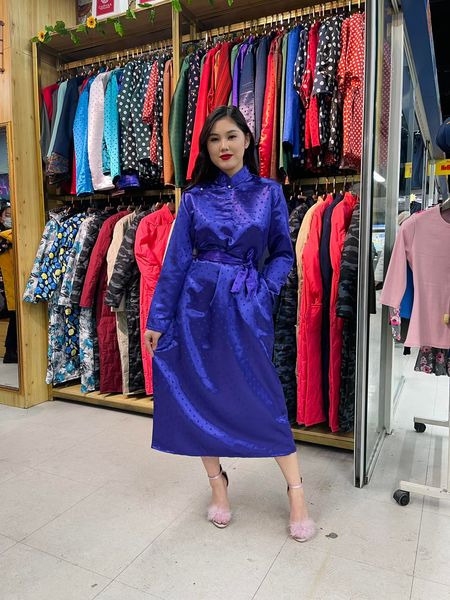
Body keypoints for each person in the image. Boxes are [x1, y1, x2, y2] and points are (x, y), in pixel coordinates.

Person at [144, 106, 315, 542]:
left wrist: (265, 289)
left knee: (263, 394)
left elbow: (283, 252)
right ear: (206, 147)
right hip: (195, 304)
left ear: (247, 140)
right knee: (199, 394)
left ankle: (296, 492)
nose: (223, 146)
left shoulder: (269, 193)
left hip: (245, 301)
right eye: (214, 138)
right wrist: (158, 318)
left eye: (231, 136)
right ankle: (218, 486)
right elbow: (175, 261)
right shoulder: (194, 198)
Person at [0, 203, 17, 364]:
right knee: (15, 316)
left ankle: (11, 351)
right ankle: (10, 351)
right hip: (6, 288)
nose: (10, 218)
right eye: (7, 215)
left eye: (13, 215)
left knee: (15, 316)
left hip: (11, 285)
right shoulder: (4, 237)